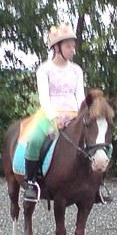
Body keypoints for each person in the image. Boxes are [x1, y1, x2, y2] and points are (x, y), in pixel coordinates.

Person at [22, 23, 87, 203]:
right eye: (68, 46)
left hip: (74, 115)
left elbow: (80, 96)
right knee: (34, 140)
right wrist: (55, 118)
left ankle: (95, 185)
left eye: (73, 45)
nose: (73, 50)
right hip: (50, 114)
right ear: (57, 48)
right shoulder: (44, 69)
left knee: (97, 141)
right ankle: (31, 182)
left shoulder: (77, 70)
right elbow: (44, 97)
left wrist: (81, 115)